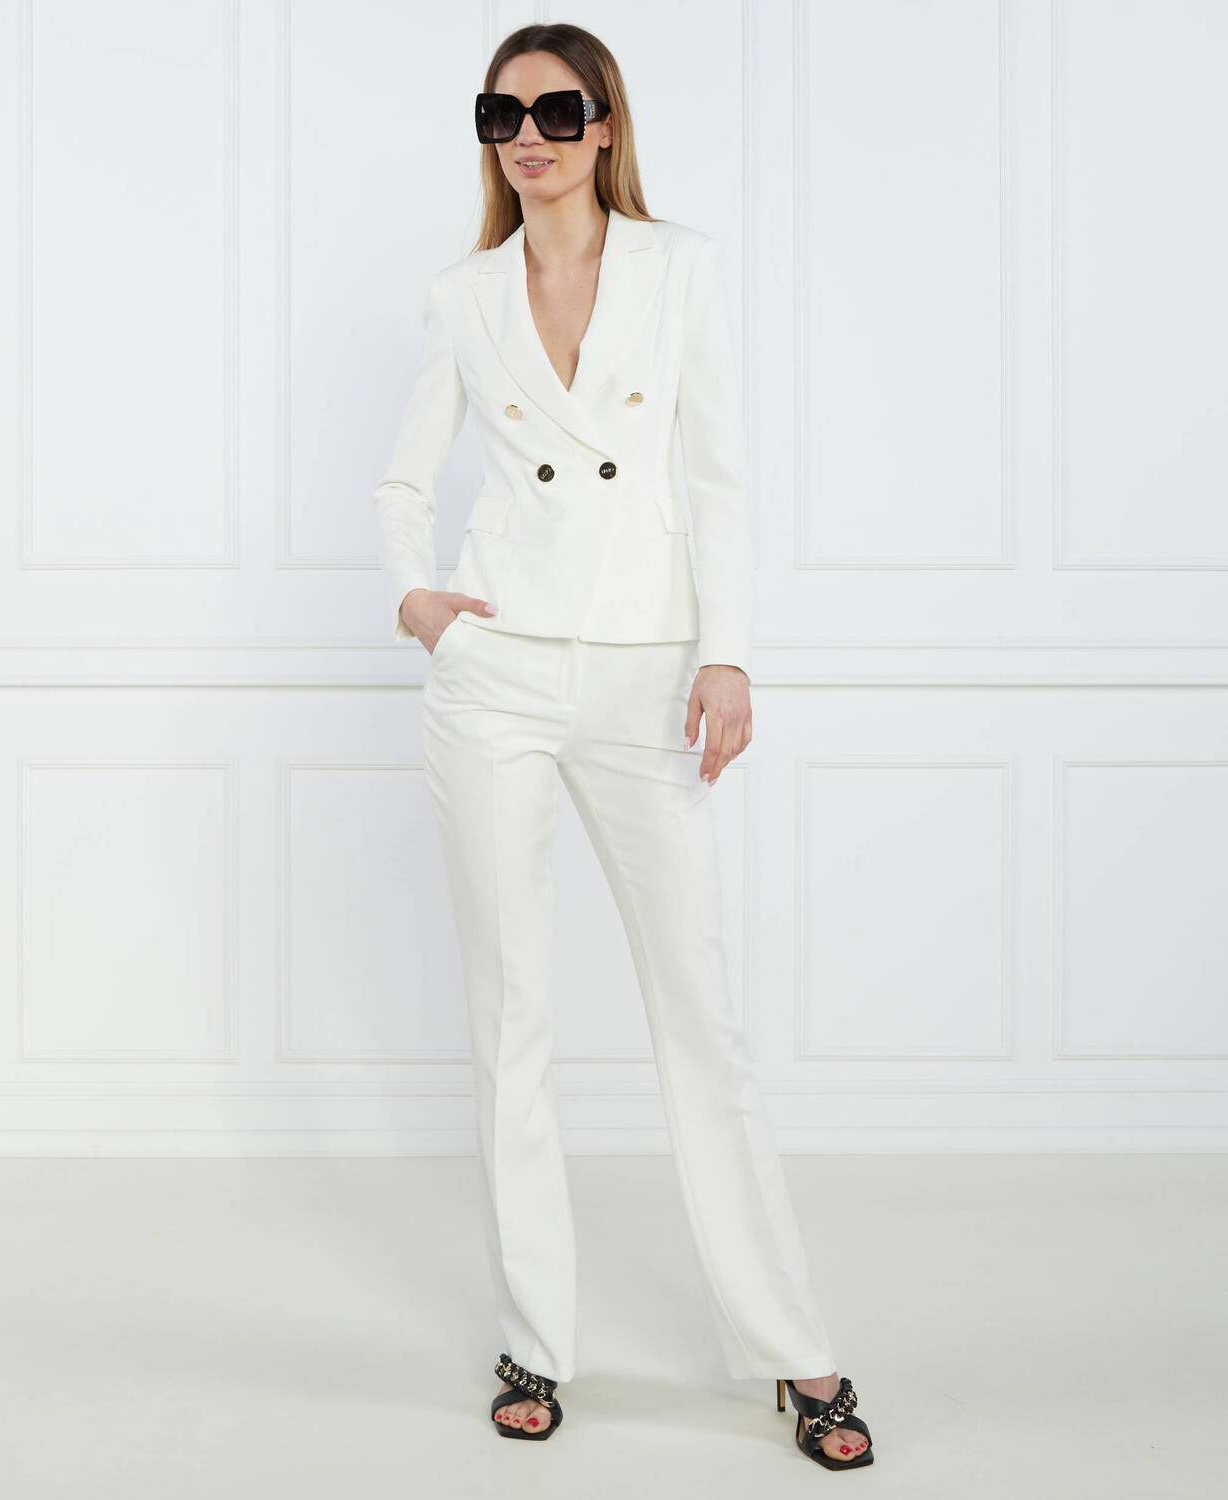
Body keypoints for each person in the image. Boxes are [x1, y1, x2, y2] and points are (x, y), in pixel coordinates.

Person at [371, 21, 874, 1472]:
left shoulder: (678, 269)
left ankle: (795, 1350)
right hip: (498, 676)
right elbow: (403, 481)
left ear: (604, 123)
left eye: (554, 110)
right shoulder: (463, 294)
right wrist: (416, 600)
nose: (526, 137)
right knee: (510, 1018)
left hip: (647, 671)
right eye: (501, 115)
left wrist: (728, 651)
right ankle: (535, 1336)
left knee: (698, 1017)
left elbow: (719, 477)